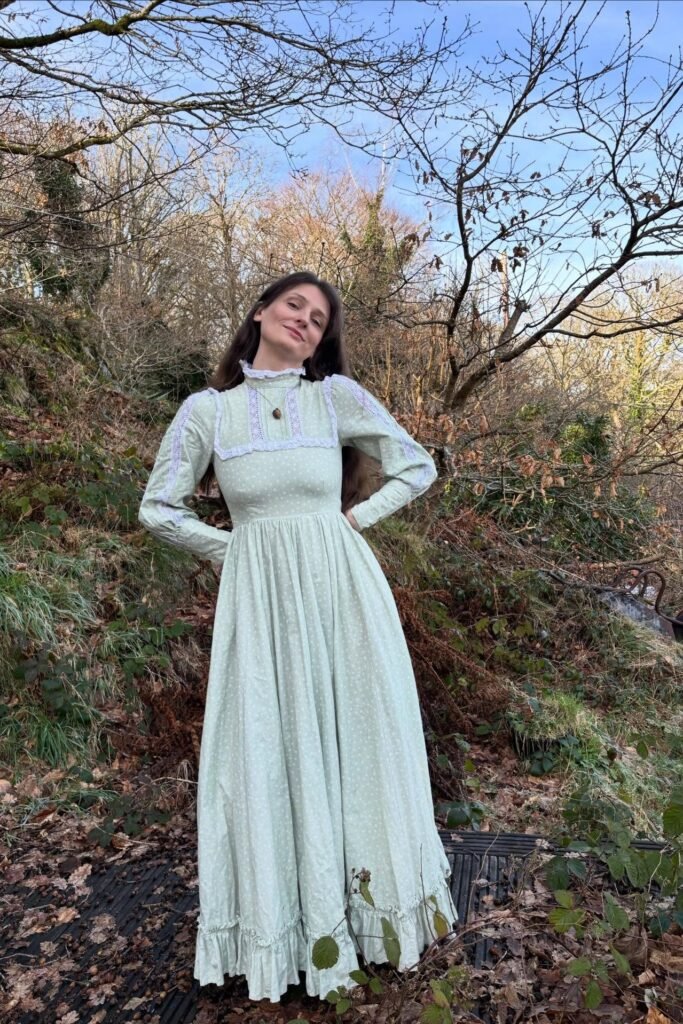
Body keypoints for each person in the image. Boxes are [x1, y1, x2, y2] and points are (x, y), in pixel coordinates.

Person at [137, 270, 458, 1003]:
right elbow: (159, 508)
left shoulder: (333, 398)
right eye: (294, 306)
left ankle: (373, 919)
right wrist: (236, 552)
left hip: (343, 595)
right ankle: (296, 927)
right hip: (261, 608)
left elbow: (416, 466)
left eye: (319, 318)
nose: (306, 321)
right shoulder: (207, 412)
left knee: (362, 740)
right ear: (259, 311)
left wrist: (352, 524)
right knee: (269, 747)